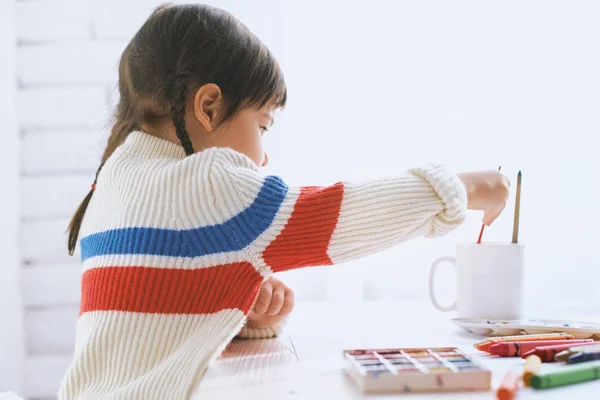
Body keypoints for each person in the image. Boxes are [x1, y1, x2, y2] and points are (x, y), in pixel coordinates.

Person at [58, 4, 509, 399]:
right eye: (263, 125)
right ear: (209, 106)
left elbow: (150, 330)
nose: (264, 154)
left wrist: (234, 308)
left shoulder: (110, 183)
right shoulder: (213, 183)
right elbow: (340, 217)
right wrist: (461, 188)